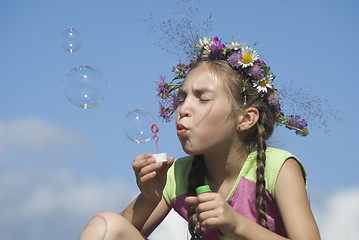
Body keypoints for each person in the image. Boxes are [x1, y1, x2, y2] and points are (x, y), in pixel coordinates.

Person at [78, 36, 320, 240]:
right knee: (105, 225)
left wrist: (238, 225)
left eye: (203, 99)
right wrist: (148, 199)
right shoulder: (176, 175)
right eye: (182, 98)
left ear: (245, 119)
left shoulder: (279, 168)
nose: (183, 109)